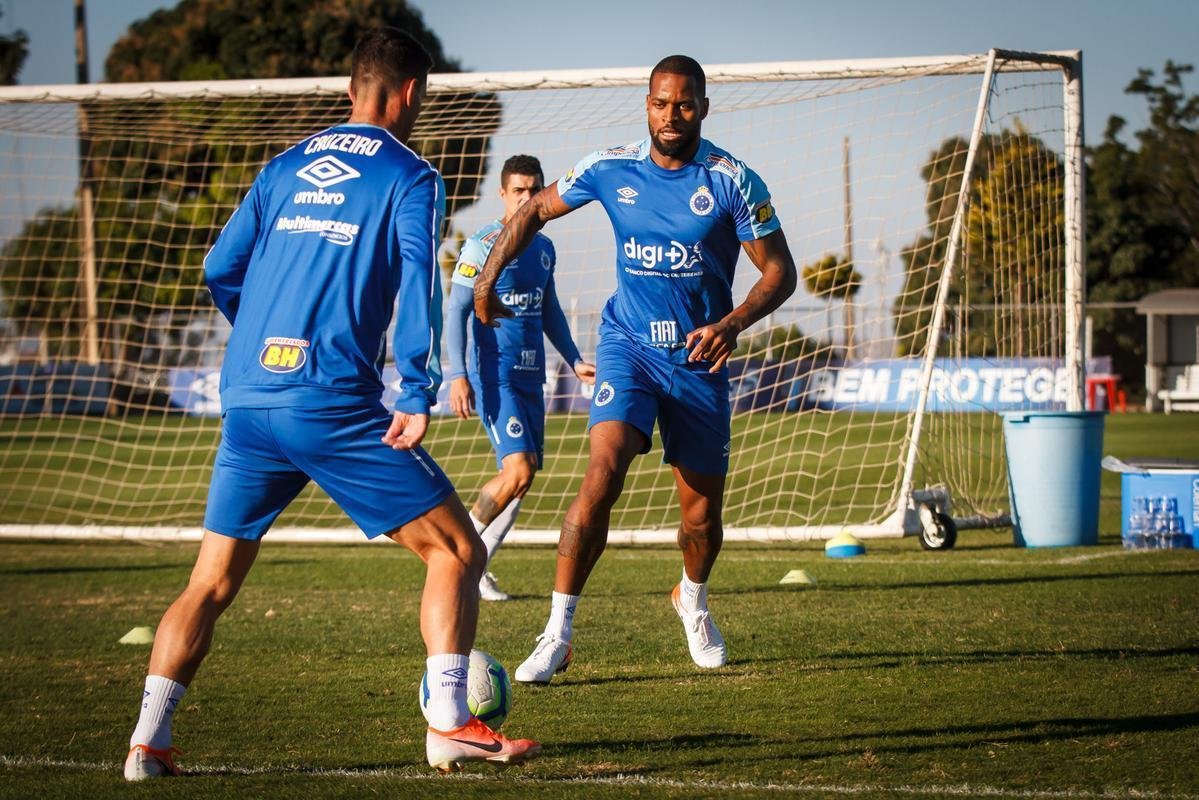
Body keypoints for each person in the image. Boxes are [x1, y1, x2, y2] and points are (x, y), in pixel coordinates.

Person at [123, 27, 540, 780]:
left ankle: (146, 742)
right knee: (454, 549)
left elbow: (221, 267)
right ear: (412, 94)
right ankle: (448, 725)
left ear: (352, 88)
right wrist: (412, 389)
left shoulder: (283, 167)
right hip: (330, 400)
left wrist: (259, 335)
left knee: (209, 582)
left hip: (248, 399)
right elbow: (417, 281)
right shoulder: (409, 177)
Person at [474, 55, 797, 683]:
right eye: (659, 102)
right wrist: (487, 274)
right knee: (602, 472)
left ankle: (692, 600)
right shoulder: (609, 167)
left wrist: (730, 324)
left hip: (699, 359)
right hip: (627, 345)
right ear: (646, 104)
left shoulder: (734, 181)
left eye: (683, 104)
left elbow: (780, 272)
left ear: (702, 107)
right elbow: (534, 210)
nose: (670, 116)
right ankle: (557, 631)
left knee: (700, 516)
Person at [445, 154, 596, 602]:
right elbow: (455, 311)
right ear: (503, 194)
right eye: (519, 191)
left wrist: (573, 358)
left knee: (521, 481)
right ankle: (458, 560)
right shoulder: (481, 245)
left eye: (535, 190)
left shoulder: (545, 248)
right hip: (495, 374)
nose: (528, 199)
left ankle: (477, 569)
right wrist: (458, 374)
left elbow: (548, 310)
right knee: (518, 469)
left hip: (533, 377)